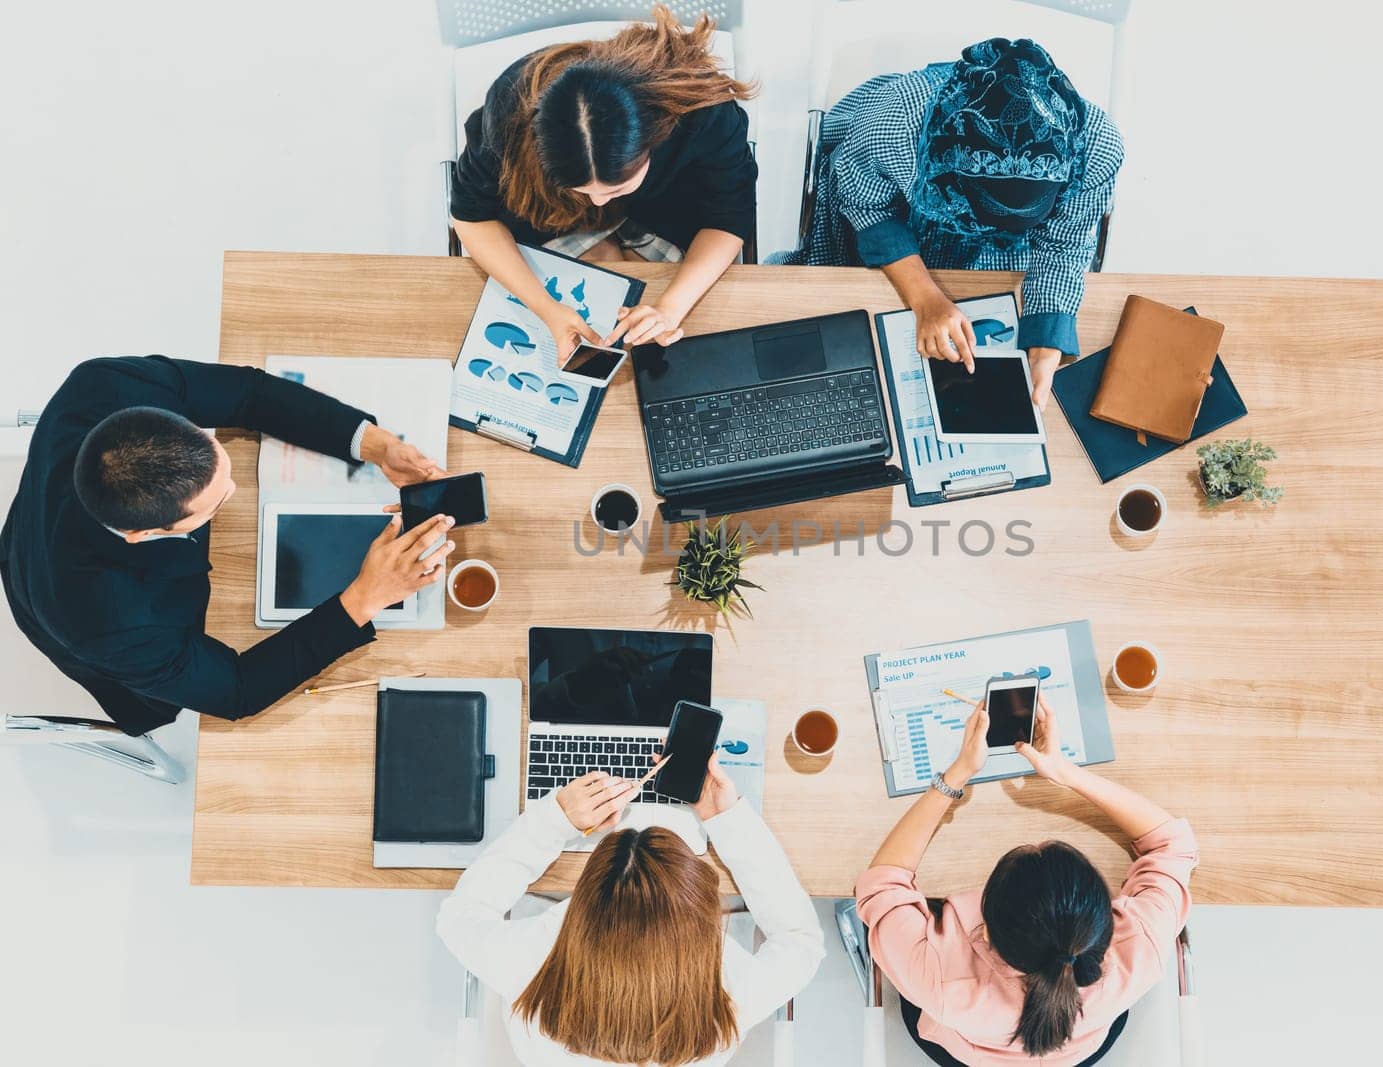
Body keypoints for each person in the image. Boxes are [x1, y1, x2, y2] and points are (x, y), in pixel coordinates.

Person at [0, 355, 456, 736]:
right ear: (144, 534)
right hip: (51, 595)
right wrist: (365, 597)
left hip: (55, 503)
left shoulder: (104, 383)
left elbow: (246, 394)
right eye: (217, 501)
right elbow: (238, 690)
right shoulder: (109, 625)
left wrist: (373, 443)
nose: (235, 491)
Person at [775, 38, 1124, 407]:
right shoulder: (897, 125)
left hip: (1003, 256)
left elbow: (1062, 244)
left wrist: (1045, 346)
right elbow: (866, 203)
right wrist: (925, 298)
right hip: (901, 214)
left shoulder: (1097, 146)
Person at [855, 695, 1197, 1066]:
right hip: (1078, 1046)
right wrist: (1066, 772)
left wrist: (956, 774)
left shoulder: (938, 977)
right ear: (1104, 918)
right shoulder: (1139, 948)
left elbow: (881, 886)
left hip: (963, 1044)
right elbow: (1171, 844)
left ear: (984, 932)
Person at [437, 758, 823, 1066]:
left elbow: (459, 917)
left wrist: (553, 822)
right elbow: (801, 942)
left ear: (586, 900)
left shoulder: (529, 962)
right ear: (703, 910)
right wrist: (729, 821)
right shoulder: (729, 995)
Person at [450, 5, 757, 360]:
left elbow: (729, 217)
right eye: (582, 190)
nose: (597, 202)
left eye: (615, 188)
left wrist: (670, 309)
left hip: (670, 220)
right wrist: (547, 309)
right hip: (545, 224)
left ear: (655, 138)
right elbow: (469, 216)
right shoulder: (510, 111)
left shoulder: (703, 114)